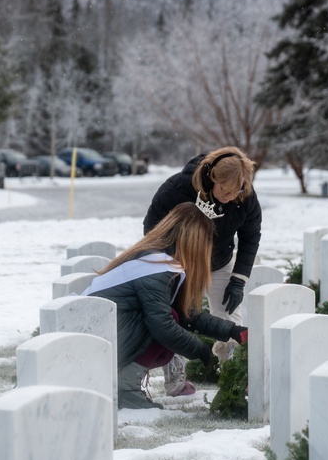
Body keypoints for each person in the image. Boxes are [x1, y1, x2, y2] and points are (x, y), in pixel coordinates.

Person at [82, 202, 248, 409]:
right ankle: (126, 388)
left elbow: (188, 314)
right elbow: (163, 324)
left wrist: (232, 330)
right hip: (96, 339)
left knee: (170, 317)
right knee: (166, 322)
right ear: (193, 240)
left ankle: (124, 384)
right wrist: (202, 352)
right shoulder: (156, 267)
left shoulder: (157, 260)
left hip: (99, 331)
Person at [142, 147, 261, 395]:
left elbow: (250, 236)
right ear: (210, 177)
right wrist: (169, 264)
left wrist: (238, 280)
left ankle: (233, 375)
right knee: (175, 314)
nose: (229, 197)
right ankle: (174, 375)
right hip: (180, 260)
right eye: (223, 190)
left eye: (235, 191)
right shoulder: (177, 189)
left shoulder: (245, 195)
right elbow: (151, 228)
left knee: (230, 314)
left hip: (220, 260)